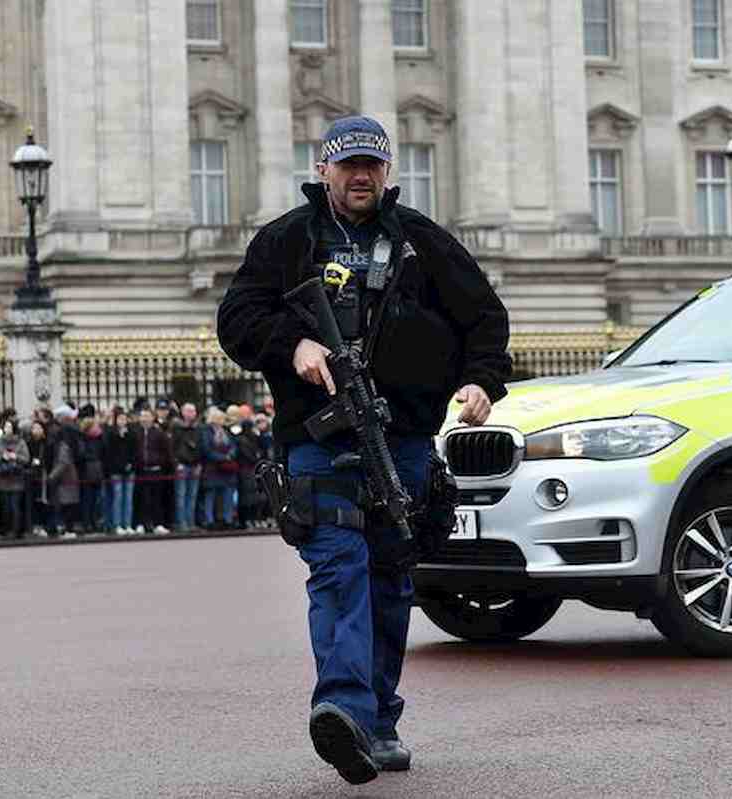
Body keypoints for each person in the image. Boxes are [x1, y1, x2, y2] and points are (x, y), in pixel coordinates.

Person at [217, 114, 510, 784]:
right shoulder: (287, 240)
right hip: (317, 437)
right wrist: (293, 345)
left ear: (387, 172)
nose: (359, 177)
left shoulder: (421, 244)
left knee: (389, 577)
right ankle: (342, 707)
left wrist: (480, 379)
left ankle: (377, 718)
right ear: (323, 168)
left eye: (371, 166)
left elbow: (484, 318)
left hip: (402, 436)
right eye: (348, 165)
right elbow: (236, 317)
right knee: (339, 565)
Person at [133, 407, 173, 535]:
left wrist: (161, 462)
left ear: (152, 418)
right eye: (142, 416)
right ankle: (141, 523)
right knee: (141, 498)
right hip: (140, 470)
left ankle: (158, 523)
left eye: (147, 416)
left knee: (157, 498)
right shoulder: (135, 432)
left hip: (156, 470)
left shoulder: (159, 433)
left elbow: (166, 451)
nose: (144, 419)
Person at [0, 420, 30, 538]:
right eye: (5, 426)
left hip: (16, 478)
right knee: (5, 506)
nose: (7, 428)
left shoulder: (20, 442)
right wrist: (2, 457)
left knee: (15, 506)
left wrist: (15, 456)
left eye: (9, 426)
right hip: (2, 478)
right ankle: (6, 529)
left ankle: (16, 531)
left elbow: (26, 458)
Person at [200, 406, 237, 529]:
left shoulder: (226, 431)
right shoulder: (206, 431)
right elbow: (206, 449)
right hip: (212, 468)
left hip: (227, 469)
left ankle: (228, 519)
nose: (222, 420)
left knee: (228, 494)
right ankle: (209, 520)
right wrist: (222, 457)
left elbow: (233, 445)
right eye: (220, 418)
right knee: (210, 495)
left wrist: (230, 454)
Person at [47, 405, 81, 538]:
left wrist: (51, 477)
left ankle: (68, 529)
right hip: (68, 478)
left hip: (65, 479)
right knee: (67, 505)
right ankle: (67, 528)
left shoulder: (62, 445)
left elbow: (62, 462)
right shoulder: (66, 440)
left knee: (66, 505)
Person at [104, 408, 137, 535]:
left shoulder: (132, 434)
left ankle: (127, 524)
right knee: (118, 498)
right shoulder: (111, 433)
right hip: (116, 471)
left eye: (124, 419)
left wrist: (131, 465)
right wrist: (120, 437)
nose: (122, 421)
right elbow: (110, 452)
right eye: (120, 419)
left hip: (129, 470)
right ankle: (117, 524)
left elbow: (134, 452)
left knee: (128, 498)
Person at [171, 402, 203, 532]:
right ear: (183, 412)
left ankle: (191, 522)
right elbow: (172, 447)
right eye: (188, 411)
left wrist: (199, 463)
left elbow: (200, 447)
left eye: (193, 411)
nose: (191, 414)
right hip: (182, 465)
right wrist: (176, 463)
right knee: (181, 495)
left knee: (192, 495)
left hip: (195, 465)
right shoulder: (176, 427)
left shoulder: (198, 428)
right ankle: (181, 522)